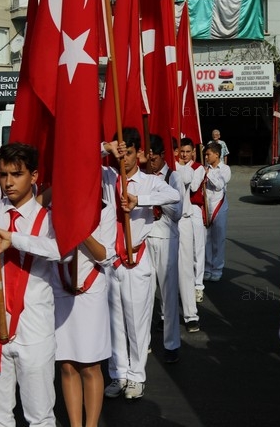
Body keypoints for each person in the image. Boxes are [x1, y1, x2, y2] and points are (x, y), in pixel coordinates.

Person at [0, 143, 60, 426]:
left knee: (40, 417)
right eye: (3, 174)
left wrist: (14, 240)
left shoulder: (48, 217)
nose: (8, 182)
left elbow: (61, 251)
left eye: (16, 174)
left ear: (34, 175)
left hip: (34, 331)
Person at [102, 128, 180, 400]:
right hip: (112, 260)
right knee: (114, 323)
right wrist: (107, 147)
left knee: (137, 322)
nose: (124, 159)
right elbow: (81, 161)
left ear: (139, 154)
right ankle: (118, 374)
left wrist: (140, 201)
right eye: (120, 154)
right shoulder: (107, 176)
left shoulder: (148, 182)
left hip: (137, 256)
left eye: (129, 153)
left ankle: (137, 376)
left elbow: (174, 196)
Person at [52, 176, 116, 427]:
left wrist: (82, 229)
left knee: (90, 365)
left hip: (91, 295)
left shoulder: (106, 210)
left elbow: (105, 256)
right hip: (62, 291)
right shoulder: (53, 212)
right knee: (67, 365)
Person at [146, 134, 183, 363]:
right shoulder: (145, 176)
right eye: (147, 159)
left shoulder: (173, 177)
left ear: (161, 156)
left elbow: (177, 212)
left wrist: (156, 196)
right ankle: (144, 341)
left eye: (153, 159)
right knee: (145, 294)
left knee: (168, 294)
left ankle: (171, 344)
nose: (150, 163)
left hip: (167, 237)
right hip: (146, 236)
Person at [177, 137, 207, 313]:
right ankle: (184, 285)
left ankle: (198, 286)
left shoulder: (198, 168)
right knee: (183, 251)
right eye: (182, 152)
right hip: (179, 210)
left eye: (188, 152)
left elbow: (194, 186)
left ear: (193, 153)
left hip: (194, 209)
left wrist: (183, 167)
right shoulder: (177, 167)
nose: (185, 155)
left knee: (198, 248)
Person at [203, 142, 231, 281]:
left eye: (208, 154)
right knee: (206, 240)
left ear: (217, 154)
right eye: (205, 154)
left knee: (218, 240)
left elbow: (220, 185)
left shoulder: (225, 169)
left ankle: (217, 269)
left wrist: (208, 175)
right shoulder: (204, 168)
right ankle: (207, 268)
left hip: (219, 207)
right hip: (206, 207)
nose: (206, 157)